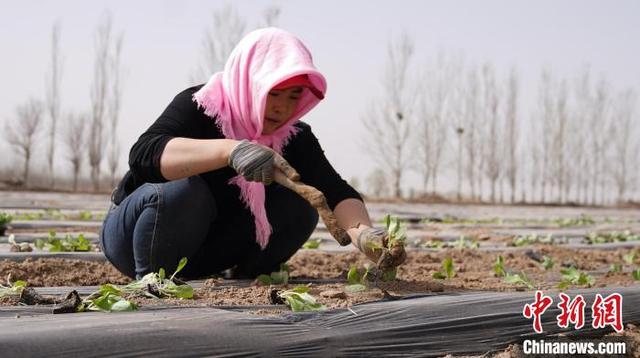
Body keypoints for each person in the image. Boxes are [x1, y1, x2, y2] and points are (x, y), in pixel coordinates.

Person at [100, 27, 406, 280]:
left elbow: (335, 190)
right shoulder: (200, 106)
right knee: (185, 191)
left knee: (301, 205)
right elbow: (144, 155)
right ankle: (152, 281)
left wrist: (364, 235)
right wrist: (230, 150)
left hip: (203, 252)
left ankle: (247, 273)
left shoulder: (293, 136)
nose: (281, 108)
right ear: (251, 81)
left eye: (293, 96)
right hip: (137, 239)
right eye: (273, 92)